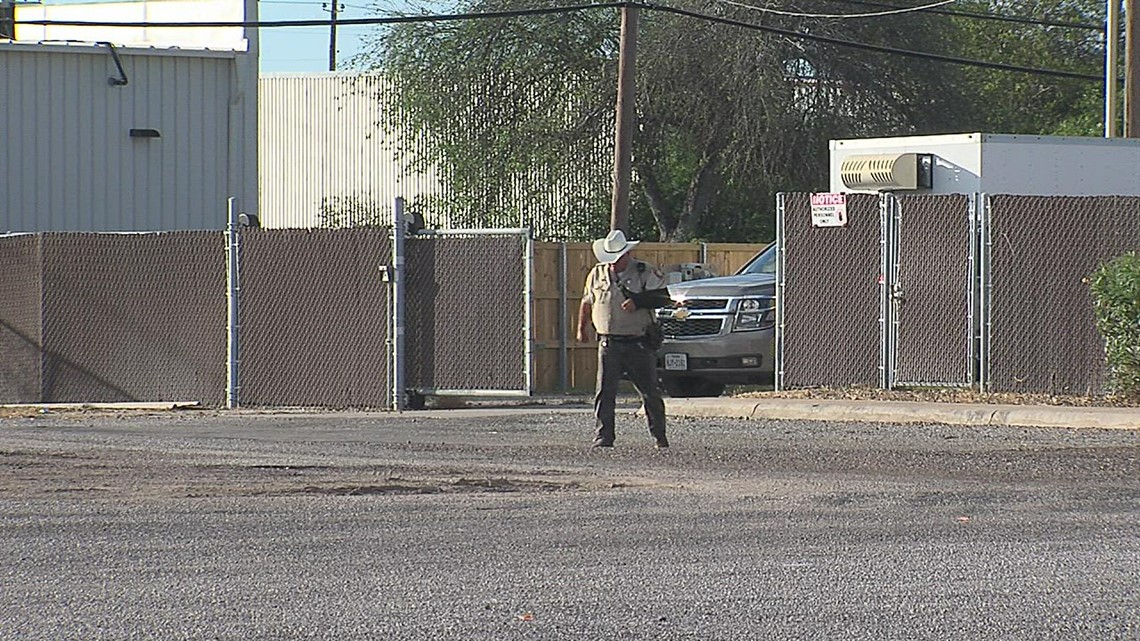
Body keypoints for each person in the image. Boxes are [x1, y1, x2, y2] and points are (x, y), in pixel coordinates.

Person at [576, 230, 669, 449]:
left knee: (649, 392)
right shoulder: (596, 273)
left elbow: (663, 298)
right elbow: (587, 301)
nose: (613, 262)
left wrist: (638, 301)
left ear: (627, 254)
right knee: (604, 392)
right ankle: (603, 436)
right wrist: (582, 328)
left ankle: (659, 436)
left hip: (638, 341)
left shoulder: (644, 272)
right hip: (609, 342)